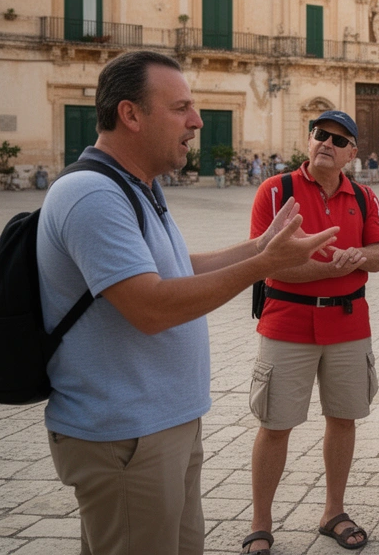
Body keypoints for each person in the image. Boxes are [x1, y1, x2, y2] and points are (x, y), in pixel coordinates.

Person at [37, 50, 338, 555]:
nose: (197, 120)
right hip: (126, 434)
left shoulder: (137, 187)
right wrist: (264, 266)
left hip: (161, 425)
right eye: (181, 108)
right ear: (130, 114)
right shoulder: (94, 195)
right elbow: (151, 306)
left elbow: (176, 269)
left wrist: (262, 245)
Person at [245, 110, 379, 552]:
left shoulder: (365, 197)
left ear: (352, 153)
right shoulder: (276, 191)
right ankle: (260, 522)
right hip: (287, 323)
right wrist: (339, 264)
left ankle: (333, 510)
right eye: (320, 135)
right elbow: (265, 261)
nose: (326, 143)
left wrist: (362, 257)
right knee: (275, 424)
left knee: (343, 419)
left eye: (338, 139)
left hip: (348, 324)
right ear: (309, 142)